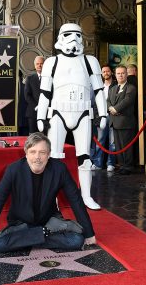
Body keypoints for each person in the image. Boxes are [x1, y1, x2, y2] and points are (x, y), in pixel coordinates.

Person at [0, 132, 96, 253]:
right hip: (22, 225)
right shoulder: (13, 170)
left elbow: (75, 200)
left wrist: (89, 234)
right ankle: (40, 236)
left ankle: (28, 240)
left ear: (49, 154)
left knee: (76, 240)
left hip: (49, 224)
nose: (37, 157)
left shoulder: (59, 169)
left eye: (42, 152)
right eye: (33, 152)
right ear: (26, 153)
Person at [36, 23, 108, 210]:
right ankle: (52, 199)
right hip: (58, 112)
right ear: (60, 37)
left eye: (77, 34)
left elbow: (99, 90)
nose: (73, 39)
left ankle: (86, 196)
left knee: (85, 157)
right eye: (68, 34)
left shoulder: (89, 61)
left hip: (83, 111)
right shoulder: (52, 62)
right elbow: (44, 92)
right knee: (54, 157)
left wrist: (103, 113)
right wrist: (41, 117)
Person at [107, 65, 137, 175]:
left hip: (126, 122)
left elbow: (127, 100)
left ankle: (128, 167)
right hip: (114, 121)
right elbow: (108, 100)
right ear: (115, 75)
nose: (120, 75)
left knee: (126, 146)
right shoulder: (113, 88)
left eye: (123, 73)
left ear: (126, 74)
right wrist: (111, 108)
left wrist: (115, 108)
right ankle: (122, 165)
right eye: (118, 73)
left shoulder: (131, 88)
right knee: (118, 146)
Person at [91, 64, 116, 172]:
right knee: (99, 142)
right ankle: (97, 164)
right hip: (101, 117)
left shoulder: (116, 86)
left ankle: (111, 163)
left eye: (107, 71)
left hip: (113, 117)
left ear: (111, 72)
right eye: (104, 72)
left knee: (112, 142)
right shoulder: (98, 86)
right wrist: (97, 116)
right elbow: (94, 103)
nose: (106, 73)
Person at [24, 56, 45, 134]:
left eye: (41, 64)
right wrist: (37, 106)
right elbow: (27, 95)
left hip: (47, 113)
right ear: (35, 65)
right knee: (33, 136)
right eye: (37, 64)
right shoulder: (30, 78)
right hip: (33, 112)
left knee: (45, 136)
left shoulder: (51, 78)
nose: (39, 65)